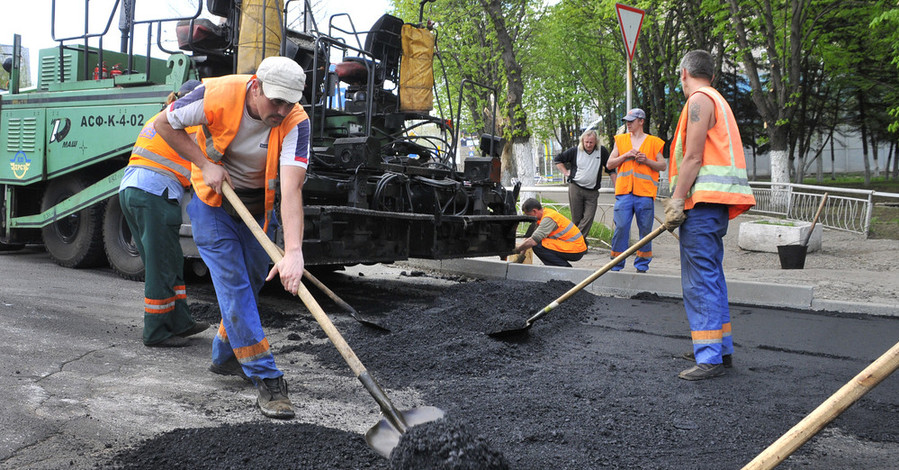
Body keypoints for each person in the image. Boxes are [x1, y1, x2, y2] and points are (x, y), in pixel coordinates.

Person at [154, 56, 311, 419]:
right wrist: (205, 164)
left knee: (251, 283)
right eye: (275, 101)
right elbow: (164, 123)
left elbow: (291, 191)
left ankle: (227, 356)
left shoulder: (296, 122)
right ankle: (267, 378)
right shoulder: (216, 94)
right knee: (234, 283)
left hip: (258, 211)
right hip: (213, 205)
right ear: (255, 86)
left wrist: (294, 252)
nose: (281, 110)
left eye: (289, 102)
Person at [664, 50, 756, 381]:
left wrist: (676, 200)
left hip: (700, 206)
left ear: (684, 72)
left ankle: (709, 358)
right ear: (711, 75)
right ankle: (721, 349)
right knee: (712, 277)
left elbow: (692, 156)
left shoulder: (699, 101)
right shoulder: (717, 98)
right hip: (714, 206)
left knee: (699, 281)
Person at [119, 79, 209, 348]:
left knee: (169, 260)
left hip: (134, 190)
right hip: (155, 194)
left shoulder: (160, 116)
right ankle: (156, 331)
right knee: (161, 266)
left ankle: (180, 322)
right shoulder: (188, 122)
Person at [606, 108, 666, 273]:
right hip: (624, 192)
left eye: (631, 121)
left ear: (641, 121)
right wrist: (625, 156)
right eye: (627, 121)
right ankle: (616, 263)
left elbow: (662, 165)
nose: (628, 124)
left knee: (645, 230)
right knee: (621, 227)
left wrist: (646, 161)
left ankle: (642, 265)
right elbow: (610, 164)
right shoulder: (621, 140)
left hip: (645, 194)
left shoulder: (654, 142)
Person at [553, 129, 611, 237]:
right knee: (576, 219)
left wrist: (617, 186)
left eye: (591, 142)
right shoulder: (575, 151)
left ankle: (574, 240)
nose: (588, 145)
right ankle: (580, 243)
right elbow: (558, 159)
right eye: (586, 142)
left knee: (589, 217)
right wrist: (566, 172)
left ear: (596, 142)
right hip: (576, 188)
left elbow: (610, 168)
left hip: (592, 191)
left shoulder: (601, 151)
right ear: (582, 141)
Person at [511, 198, 587, 267]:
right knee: (539, 243)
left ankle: (563, 267)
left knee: (538, 245)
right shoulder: (543, 215)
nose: (529, 218)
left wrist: (516, 250)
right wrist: (521, 256)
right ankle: (557, 265)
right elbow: (529, 238)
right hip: (571, 245)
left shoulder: (548, 219)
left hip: (576, 249)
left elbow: (533, 241)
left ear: (534, 211)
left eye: (529, 215)